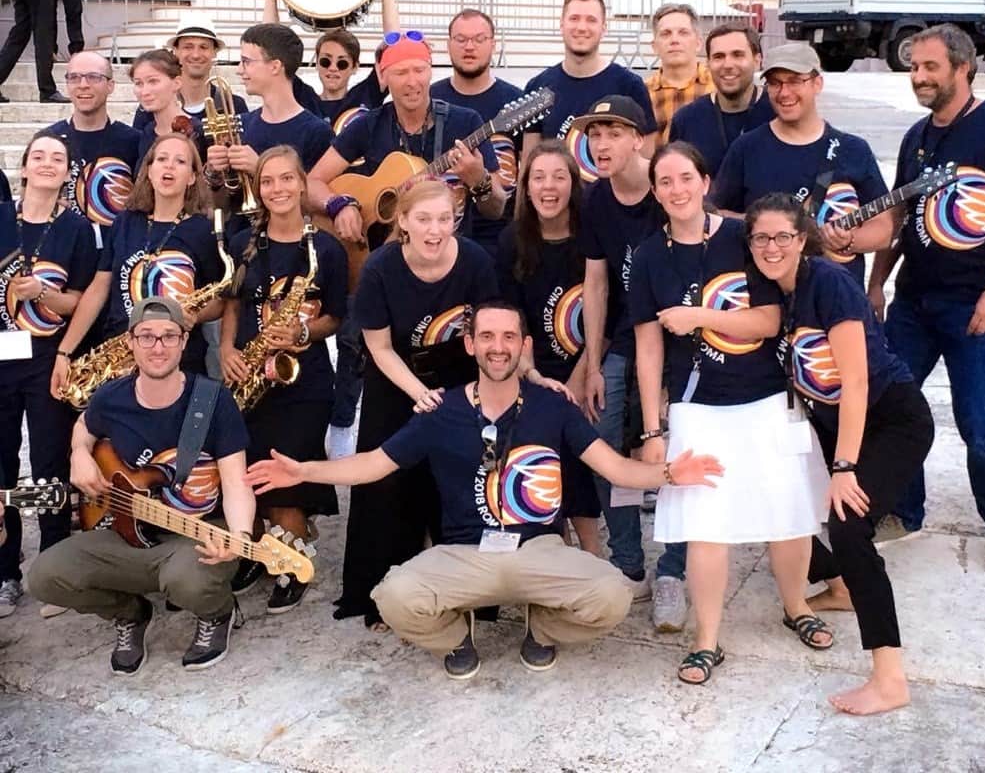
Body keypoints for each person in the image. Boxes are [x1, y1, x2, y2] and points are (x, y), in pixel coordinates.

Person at [247, 302, 723, 679]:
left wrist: (668, 475)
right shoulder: (440, 411)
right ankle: (458, 637)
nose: (499, 347)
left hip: (538, 549)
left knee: (613, 596)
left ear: (524, 346)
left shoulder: (552, 407)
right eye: (488, 337)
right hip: (464, 554)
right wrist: (304, 471)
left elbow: (616, 469)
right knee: (392, 598)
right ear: (471, 344)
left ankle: (542, 628)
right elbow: (374, 464)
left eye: (509, 337)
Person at [630, 146, 831, 682]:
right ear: (655, 192)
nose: (676, 190)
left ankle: (798, 607)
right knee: (705, 526)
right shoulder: (649, 256)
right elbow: (648, 348)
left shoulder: (743, 239)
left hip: (767, 395)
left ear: (705, 181)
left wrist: (697, 316)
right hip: (698, 405)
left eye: (685, 179)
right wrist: (654, 427)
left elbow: (767, 321)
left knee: (787, 512)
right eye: (665, 182)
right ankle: (707, 638)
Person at [746, 193, 935, 714]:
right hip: (837, 428)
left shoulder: (827, 283)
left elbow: (854, 380)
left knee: (850, 526)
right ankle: (842, 586)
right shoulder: (770, 293)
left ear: (803, 238)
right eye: (761, 237)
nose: (771, 246)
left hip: (891, 418)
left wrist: (845, 467)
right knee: (780, 495)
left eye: (783, 235)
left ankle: (889, 677)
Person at [868, 24, 985, 574]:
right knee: (895, 407)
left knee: (979, 420)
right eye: (914, 67)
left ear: (962, 68)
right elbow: (900, 218)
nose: (918, 77)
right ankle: (904, 512)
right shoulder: (918, 135)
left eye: (930, 67)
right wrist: (877, 282)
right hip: (914, 302)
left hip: (973, 304)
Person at [28, 296, 254, 674]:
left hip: (196, 532)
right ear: (130, 343)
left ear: (184, 341)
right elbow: (84, 428)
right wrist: (79, 454)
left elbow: (235, 482)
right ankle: (130, 613)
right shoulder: (111, 397)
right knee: (45, 576)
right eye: (146, 337)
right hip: (129, 534)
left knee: (186, 581)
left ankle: (217, 612)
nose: (157, 347)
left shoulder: (213, 401)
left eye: (168, 336)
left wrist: (241, 536)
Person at [335, 178, 499, 625]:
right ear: (403, 221)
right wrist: (419, 395)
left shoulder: (475, 261)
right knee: (386, 484)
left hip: (460, 373)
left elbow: (489, 333)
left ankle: (473, 594)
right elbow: (379, 349)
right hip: (397, 378)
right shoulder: (380, 269)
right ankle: (378, 595)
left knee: (463, 479)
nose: (435, 229)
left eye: (444, 219)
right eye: (423, 219)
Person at [221, 146, 346, 613]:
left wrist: (302, 332)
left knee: (284, 480)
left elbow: (335, 316)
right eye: (267, 181)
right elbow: (233, 304)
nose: (277, 189)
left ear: (300, 184)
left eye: (286, 179)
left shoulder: (326, 249)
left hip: (303, 382)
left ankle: (292, 562)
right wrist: (227, 349)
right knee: (247, 471)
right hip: (249, 376)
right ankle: (257, 552)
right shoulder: (243, 244)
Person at [572, 96, 670, 606]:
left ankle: (673, 568)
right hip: (625, 340)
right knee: (603, 443)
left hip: (682, 340)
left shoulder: (669, 184)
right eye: (594, 133)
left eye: (613, 132)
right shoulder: (596, 200)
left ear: (639, 139)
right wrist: (591, 364)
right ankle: (630, 564)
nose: (601, 143)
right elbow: (596, 283)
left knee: (673, 450)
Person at [0, 131, 96, 619]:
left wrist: (42, 292)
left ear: (67, 173)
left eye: (56, 158)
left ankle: (55, 564)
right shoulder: (0, 217)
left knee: (48, 461)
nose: (46, 164)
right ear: (22, 168)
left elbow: (80, 300)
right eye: (38, 156)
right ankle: (5, 571)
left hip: (45, 358)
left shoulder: (77, 229)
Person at [51, 132, 225, 397]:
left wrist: (196, 315)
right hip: (122, 355)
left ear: (192, 177)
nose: (169, 166)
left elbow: (220, 298)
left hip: (180, 360)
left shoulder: (203, 231)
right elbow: (99, 288)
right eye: (162, 159)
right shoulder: (125, 221)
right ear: (149, 170)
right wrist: (65, 351)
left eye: (180, 161)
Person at [496, 140, 602, 555]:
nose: (548, 187)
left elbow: (606, 314)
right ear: (525, 186)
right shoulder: (512, 241)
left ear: (573, 184)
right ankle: (558, 547)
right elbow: (509, 315)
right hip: (532, 366)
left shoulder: (590, 238)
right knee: (542, 446)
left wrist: (579, 375)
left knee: (575, 443)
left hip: (586, 361)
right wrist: (534, 376)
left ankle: (594, 551)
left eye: (559, 176)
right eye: (538, 177)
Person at [712, 42, 892, 284]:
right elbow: (716, 214)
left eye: (795, 81)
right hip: (765, 301)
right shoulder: (746, 148)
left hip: (837, 298)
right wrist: (768, 229)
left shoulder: (853, 149)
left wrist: (847, 240)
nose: (784, 92)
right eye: (775, 83)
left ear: (817, 84)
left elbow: (883, 228)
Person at [308, 33, 505, 249]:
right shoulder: (367, 125)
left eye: (419, 70)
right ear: (383, 77)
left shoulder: (466, 122)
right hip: (380, 256)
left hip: (449, 255)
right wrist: (337, 205)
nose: (412, 81)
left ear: (430, 72)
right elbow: (312, 182)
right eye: (401, 72)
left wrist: (479, 180)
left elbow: (496, 209)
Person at [521, 0, 658, 181]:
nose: (582, 27)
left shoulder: (630, 86)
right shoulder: (538, 87)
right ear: (561, 24)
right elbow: (529, 162)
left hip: (612, 207)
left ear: (604, 27)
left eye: (591, 20)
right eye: (574, 18)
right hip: (558, 206)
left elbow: (646, 159)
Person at [432, 8, 523, 256]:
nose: (469, 47)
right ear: (448, 44)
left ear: (493, 44)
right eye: (461, 39)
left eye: (479, 39)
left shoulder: (516, 102)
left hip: (499, 236)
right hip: (433, 235)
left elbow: (527, 172)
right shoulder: (429, 99)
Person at [263, 0, 396, 120]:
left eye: (342, 63)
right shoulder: (302, 97)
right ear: (316, 63)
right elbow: (269, 46)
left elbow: (395, 47)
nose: (332, 68)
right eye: (325, 61)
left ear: (355, 66)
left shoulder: (366, 94)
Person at [205, 25, 333, 197]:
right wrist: (213, 170)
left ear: (275, 66)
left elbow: (315, 200)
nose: (239, 70)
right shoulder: (240, 124)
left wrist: (260, 168)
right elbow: (221, 198)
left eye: (247, 62)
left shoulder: (317, 133)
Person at [47, 51, 141, 236]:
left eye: (93, 77)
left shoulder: (133, 141)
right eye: (74, 78)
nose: (83, 85)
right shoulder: (49, 141)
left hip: (114, 254)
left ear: (110, 85)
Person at [669, 24, 772, 177]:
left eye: (738, 55)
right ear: (708, 64)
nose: (728, 65)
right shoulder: (686, 121)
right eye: (718, 57)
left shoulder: (777, 112)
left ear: (757, 61)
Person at [133, 13, 249, 132]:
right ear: (175, 51)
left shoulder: (234, 105)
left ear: (214, 52)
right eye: (188, 47)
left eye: (203, 47)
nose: (196, 55)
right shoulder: (152, 107)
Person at [643, 4, 714, 145]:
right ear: (654, 46)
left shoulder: (718, 87)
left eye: (683, 32)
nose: (674, 40)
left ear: (699, 43)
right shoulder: (642, 93)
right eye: (666, 33)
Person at [129, 48, 203, 166]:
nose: (144, 92)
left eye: (153, 81)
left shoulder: (197, 131)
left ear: (176, 83)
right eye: (138, 83)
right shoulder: (148, 131)